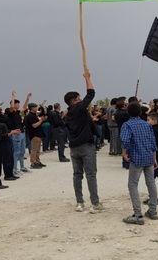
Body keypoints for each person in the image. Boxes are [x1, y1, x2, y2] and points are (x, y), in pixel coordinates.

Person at [64, 69, 103, 214]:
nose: (81, 99)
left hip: (74, 148)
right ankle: (95, 203)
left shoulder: (68, 114)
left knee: (77, 175)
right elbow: (91, 93)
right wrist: (87, 78)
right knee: (91, 174)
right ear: (74, 100)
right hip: (86, 147)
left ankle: (79, 202)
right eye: (79, 98)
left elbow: (80, 123)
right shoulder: (79, 108)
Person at [120, 102, 158, 225]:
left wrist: (124, 152)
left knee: (132, 184)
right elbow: (153, 143)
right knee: (151, 183)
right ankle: (153, 211)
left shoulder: (127, 125)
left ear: (128, 112)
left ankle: (138, 214)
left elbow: (125, 140)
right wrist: (154, 158)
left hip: (136, 158)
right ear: (141, 112)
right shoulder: (147, 125)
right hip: (148, 158)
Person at [6, 92, 29, 176]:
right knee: (16, 152)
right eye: (17, 104)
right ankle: (14, 169)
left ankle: (22, 167)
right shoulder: (10, 112)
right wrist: (13, 96)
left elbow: (24, 107)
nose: (19, 105)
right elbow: (11, 107)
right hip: (16, 134)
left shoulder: (18, 112)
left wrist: (27, 98)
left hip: (22, 133)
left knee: (22, 151)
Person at [24, 103, 47, 169]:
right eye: (35, 107)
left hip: (38, 134)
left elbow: (42, 113)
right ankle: (33, 163)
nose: (37, 108)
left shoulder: (34, 115)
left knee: (38, 150)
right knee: (34, 150)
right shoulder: (30, 116)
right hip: (34, 135)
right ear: (32, 108)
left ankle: (37, 161)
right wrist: (41, 120)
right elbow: (34, 125)